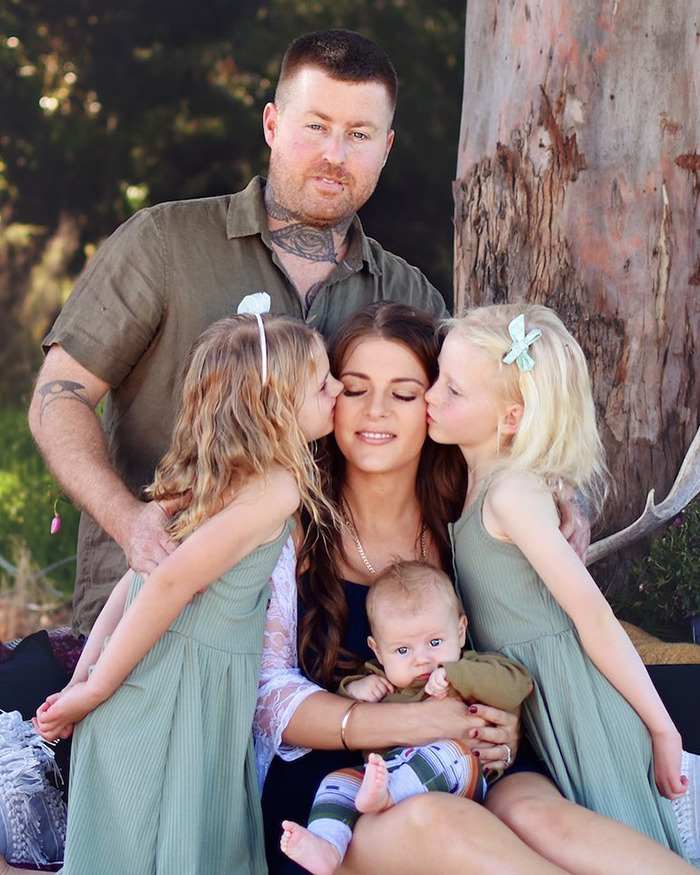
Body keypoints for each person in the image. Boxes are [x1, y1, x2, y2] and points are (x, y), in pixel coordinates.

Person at [26, 28, 448, 641]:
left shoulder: (409, 296)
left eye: (359, 135)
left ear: (386, 147)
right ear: (273, 124)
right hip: (160, 615)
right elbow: (57, 397)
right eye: (316, 126)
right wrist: (129, 520)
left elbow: (464, 436)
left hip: (333, 641)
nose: (336, 153)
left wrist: (553, 499)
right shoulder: (163, 243)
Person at [255, 301, 694, 874]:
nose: (376, 410)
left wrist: (504, 724)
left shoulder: (464, 518)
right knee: (437, 822)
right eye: (356, 389)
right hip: (341, 792)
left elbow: (510, 647)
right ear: (328, 397)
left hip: (472, 763)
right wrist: (415, 723)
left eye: (408, 392)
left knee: (541, 817)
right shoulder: (290, 519)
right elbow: (266, 698)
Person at [31, 310, 342, 874]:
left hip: (145, 686)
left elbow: (138, 577)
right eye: (323, 384)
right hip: (174, 698)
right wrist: (93, 687)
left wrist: (85, 679)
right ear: (276, 409)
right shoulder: (275, 486)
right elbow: (167, 581)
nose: (338, 389)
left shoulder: (220, 476)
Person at [425, 302, 691, 862]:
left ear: (511, 417)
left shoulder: (511, 494)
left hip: (577, 703)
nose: (429, 397)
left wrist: (664, 730)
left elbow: (592, 617)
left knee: (618, 846)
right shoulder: (477, 485)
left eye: (453, 391)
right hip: (538, 706)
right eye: (436, 380)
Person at [280, 560, 533, 874]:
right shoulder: (379, 681)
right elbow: (340, 708)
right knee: (337, 782)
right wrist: (354, 690)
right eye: (402, 650)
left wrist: (457, 674)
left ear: (460, 630)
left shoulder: (473, 666)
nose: (422, 659)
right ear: (378, 650)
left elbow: (519, 682)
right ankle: (328, 845)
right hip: (387, 776)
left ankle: (388, 794)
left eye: (435, 642)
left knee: (449, 753)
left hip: (464, 778)